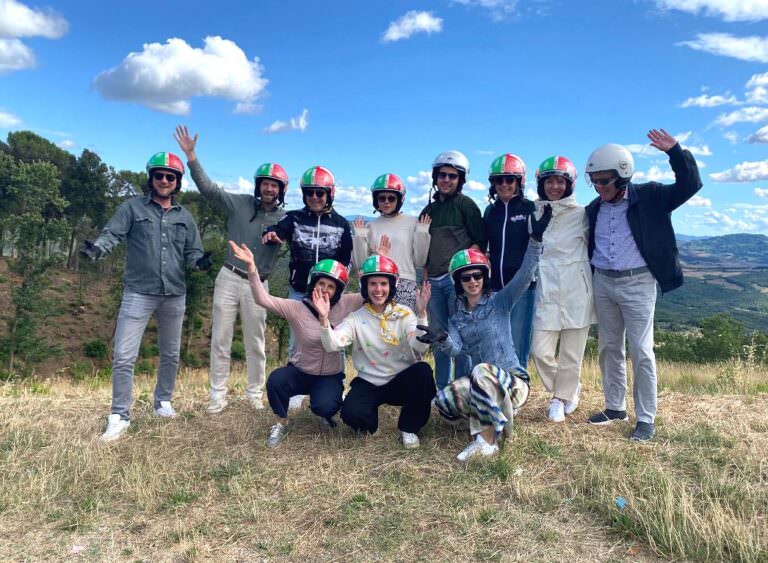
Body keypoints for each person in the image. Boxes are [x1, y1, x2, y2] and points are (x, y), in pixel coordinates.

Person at [81, 152, 211, 442]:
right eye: (159, 175)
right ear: (151, 179)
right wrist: (98, 249)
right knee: (124, 355)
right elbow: (111, 234)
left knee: (171, 353)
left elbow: (192, 253)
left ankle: (163, 401)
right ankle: (119, 416)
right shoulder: (132, 208)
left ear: (177, 182)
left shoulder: (185, 217)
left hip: (174, 293)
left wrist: (200, 263)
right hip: (138, 292)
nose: (164, 180)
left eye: (170, 177)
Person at [584, 129, 702, 442]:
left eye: (604, 180)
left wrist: (675, 151)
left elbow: (691, 184)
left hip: (638, 283)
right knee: (609, 347)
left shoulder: (650, 196)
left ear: (622, 176)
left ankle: (646, 418)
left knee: (641, 351)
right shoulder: (594, 209)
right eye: (594, 180)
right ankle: (615, 407)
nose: (598, 187)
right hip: (603, 282)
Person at [422, 207, 552, 461]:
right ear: (458, 281)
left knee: (480, 369)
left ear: (485, 277)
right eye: (466, 277)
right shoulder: (457, 319)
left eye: (478, 275)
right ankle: (497, 418)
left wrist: (536, 241)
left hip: (513, 382)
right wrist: (441, 339)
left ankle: (487, 443)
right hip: (483, 384)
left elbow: (525, 275)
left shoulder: (499, 303)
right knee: (444, 400)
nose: (473, 281)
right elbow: (456, 349)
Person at [174, 125, 286, 414]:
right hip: (228, 276)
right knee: (220, 340)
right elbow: (209, 189)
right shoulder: (239, 204)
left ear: (281, 190)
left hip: (259, 283)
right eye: (265, 183)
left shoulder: (285, 218)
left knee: (256, 343)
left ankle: (254, 394)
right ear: (258, 184)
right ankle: (218, 397)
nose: (269, 188)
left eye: (274, 185)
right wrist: (191, 157)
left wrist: (282, 236)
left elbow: (301, 237)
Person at [229, 241, 363, 448]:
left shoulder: (346, 304)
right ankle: (280, 422)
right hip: (300, 371)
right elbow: (262, 299)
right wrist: (252, 269)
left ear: (338, 291)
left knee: (325, 406)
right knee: (276, 380)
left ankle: (324, 412)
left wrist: (370, 271)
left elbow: (372, 294)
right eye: (321, 284)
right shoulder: (296, 308)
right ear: (313, 284)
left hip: (330, 375)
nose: (325, 290)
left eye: (331, 286)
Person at [316, 255, 435, 448]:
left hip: (400, 380)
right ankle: (370, 423)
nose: (378, 290)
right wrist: (323, 319)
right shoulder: (355, 318)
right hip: (369, 382)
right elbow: (333, 344)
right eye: (373, 284)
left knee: (423, 372)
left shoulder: (405, 314)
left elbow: (419, 346)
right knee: (351, 414)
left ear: (391, 286)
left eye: (383, 283)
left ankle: (409, 428)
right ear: (365, 286)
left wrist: (422, 314)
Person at [263, 165, 353, 410]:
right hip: (301, 290)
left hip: (331, 294)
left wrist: (339, 287)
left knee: (336, 340)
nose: (315, 197)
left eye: (320, 193)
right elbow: (278, 229)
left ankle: (336, 387)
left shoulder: (342, 224)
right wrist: (272, 234)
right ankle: (298, 391)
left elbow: (347, 259)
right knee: (298, 340)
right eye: (310, 192)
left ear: (329, 194)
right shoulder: (294, 218)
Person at [529, 156, 594, 422]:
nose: (554, 187)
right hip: (547, 290)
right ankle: (567, 388)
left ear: (569, 185)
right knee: (540, 350)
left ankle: (559, 399)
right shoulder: (534, 213)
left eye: (560, 181)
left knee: (571, 353)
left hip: (577, 290)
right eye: (549, 181)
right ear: (541, 184)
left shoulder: (582, 215)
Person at [419, 151, 486, 389]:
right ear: (435, 178)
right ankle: (441, 389)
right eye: (442, 175)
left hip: (455, 282)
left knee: (461, 335)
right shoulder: (429, 210)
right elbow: (423, 246)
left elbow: (479, 242)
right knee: (439, 337)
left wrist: (465, 278)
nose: (446, 180)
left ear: (460, 180)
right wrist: (425, 275)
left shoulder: (466, 205)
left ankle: (462, 388)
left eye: (452, 176)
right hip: (433, 281)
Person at [484, 153, 537, 367]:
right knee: (495, 343)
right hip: (495, 287)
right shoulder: (490, 211)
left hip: (523, 287)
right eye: (499, 180)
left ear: (519, 182)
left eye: (509, 180)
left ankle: (518, 394)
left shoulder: (530, 208)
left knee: (517, 344)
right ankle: (497, 391)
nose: (504, 184)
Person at [352, 173, 431, 310]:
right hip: (378, 283)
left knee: (404, 329)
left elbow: (420, 261)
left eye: (391, 198)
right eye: (382, 198)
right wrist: (359, 237)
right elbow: (360, 264)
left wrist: (422, 232)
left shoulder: (413, 222)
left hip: (405, 282)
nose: (386, 202)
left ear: (399, 200)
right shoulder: (371, 226)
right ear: (376, 200)